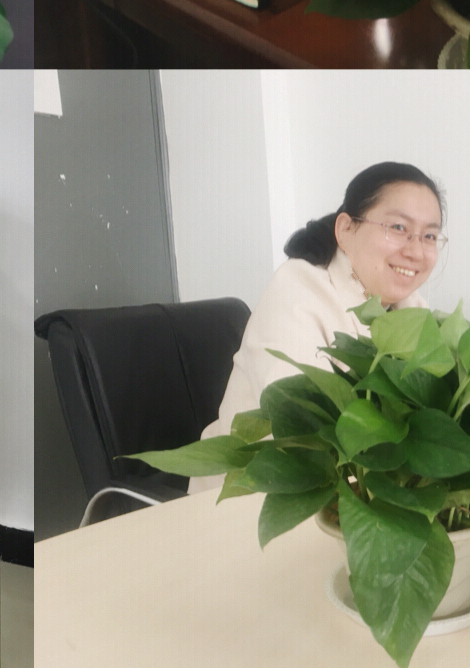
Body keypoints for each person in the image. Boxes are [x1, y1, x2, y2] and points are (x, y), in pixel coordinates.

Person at [190, 163, 446, 492]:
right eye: (398, 227)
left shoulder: (409, 307)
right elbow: (304, 432)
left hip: (360, 495)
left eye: (429, 236)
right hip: (252, 496)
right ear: (346, 229)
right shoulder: (297, 291)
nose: (415, 250)